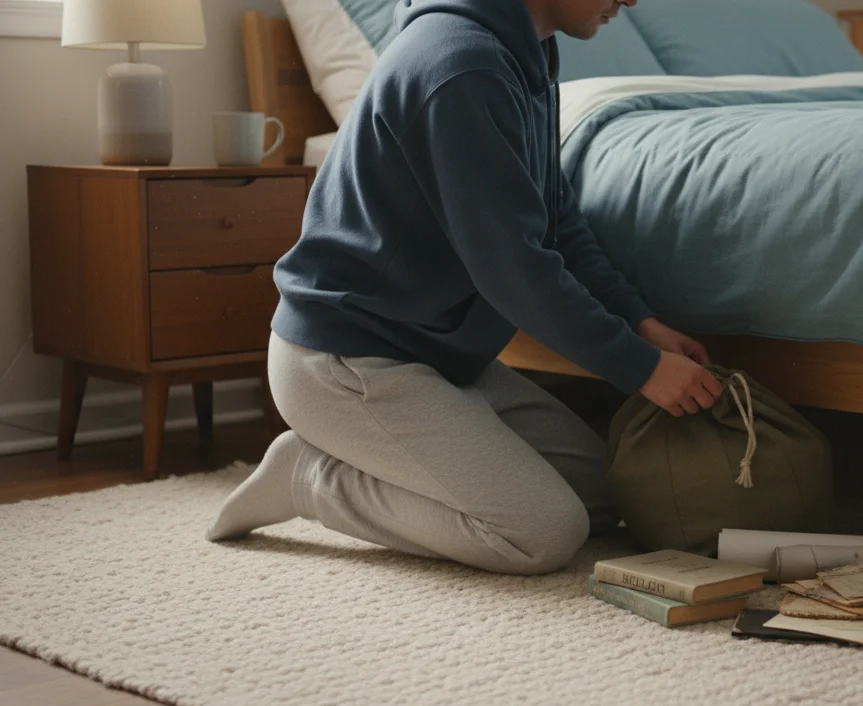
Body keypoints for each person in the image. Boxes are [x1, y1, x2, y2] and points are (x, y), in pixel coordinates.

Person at [206, 0, 723, 574]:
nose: (631, 0)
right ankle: (313, 478)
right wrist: (642, 368)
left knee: (606, 497)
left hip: (443, 359)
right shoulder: (462, 66)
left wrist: (640, 323)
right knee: (543, 532)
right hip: (348, 357)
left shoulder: (528, 52)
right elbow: (516, 272)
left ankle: (410, 451)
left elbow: (557, 223)